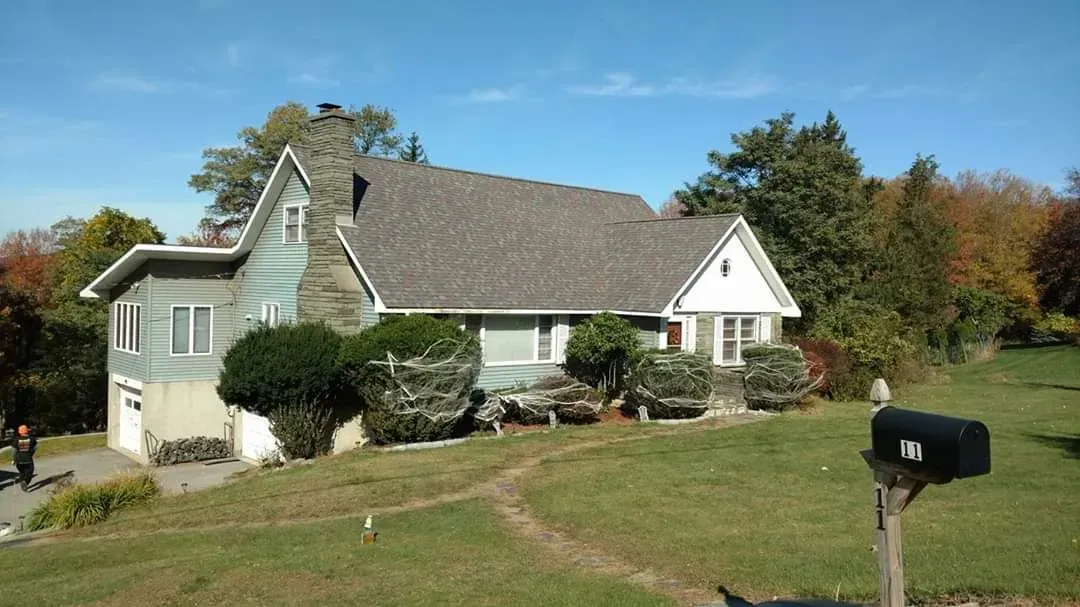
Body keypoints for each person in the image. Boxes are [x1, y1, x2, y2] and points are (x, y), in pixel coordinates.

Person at [12, 425, 37, 492]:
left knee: (21, 473)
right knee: (30, 472)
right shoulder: (32, 439)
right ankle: (25, 482)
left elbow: (14, 451)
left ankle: (22, 481)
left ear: (19, 432)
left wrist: (14, 459)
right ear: (27, 431)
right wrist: (31, 453)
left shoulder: (16, 439)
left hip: (18, 460)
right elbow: (35, 448)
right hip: (28, 459)